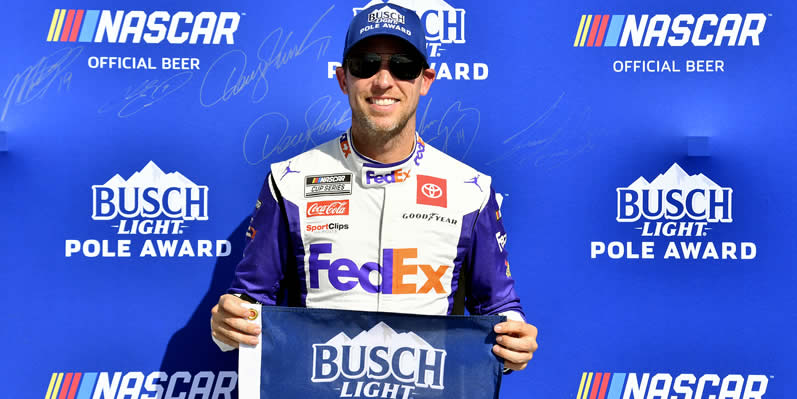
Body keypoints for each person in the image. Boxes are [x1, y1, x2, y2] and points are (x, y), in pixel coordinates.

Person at [210, 3, 538, 371]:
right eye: (366, 65)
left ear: (425, 80)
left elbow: (499, 311)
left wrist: (515, 344)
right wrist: (227, 326)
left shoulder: (468, 190)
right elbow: (248, 306)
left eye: (402, 66)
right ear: (342, 78)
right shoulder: (290, 181)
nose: (383, 81)